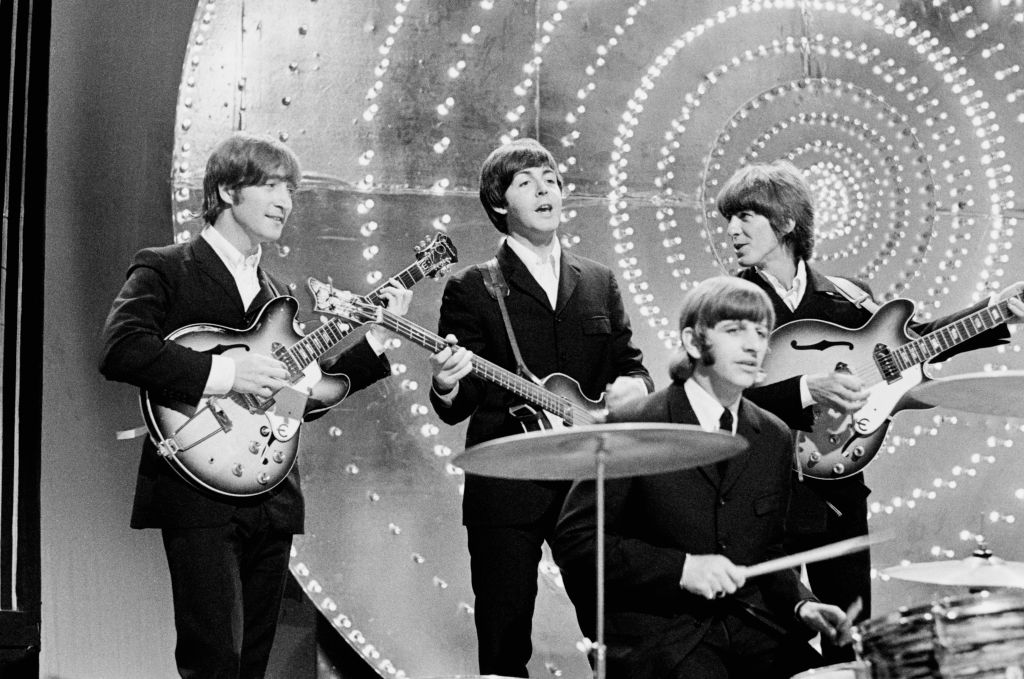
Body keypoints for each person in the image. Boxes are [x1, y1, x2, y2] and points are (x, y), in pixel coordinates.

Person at [99, 131, 412, 679]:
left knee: (254, 664)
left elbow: (299, 402)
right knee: (213, 661)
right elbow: (121, 348)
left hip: (271, 493)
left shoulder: (277, 294)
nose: (284, 201)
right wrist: (225, 374)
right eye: (270, 186)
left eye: (290, 189)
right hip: (198, 485)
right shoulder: (167, 267)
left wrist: (378, 340)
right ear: (226, 190)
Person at [716, 159, 1024, 662]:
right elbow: (719, 397)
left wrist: (995, 312)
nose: (732, 230)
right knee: (771, 648)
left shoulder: (848, 296)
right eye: (728, 218)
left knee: (848, 640)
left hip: (837, 494)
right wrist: (806, 389)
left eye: (746, 216)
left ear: (787, 222)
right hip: (759, 497)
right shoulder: (728, 302)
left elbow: (914, 341)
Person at [427, 137, 653, 676]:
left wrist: (635, 385)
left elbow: (630, 364)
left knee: (618, 633)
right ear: (499, 203)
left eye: (550, 180)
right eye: (526, 183)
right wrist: (446, 383)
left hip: (589, 483)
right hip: (508, 486)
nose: (544, 190)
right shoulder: (472, 287)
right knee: (504, 642)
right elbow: (458, 406)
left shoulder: (598, 279)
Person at [552, 276, 850, 678]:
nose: (753, 345)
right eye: (735, 330)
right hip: (661, 636)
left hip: (749, 626)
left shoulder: (773, 435)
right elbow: (577, 542)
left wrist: (801, 604)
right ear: (693, 342)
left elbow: (769, 550)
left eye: (761, 332)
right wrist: (681, 569)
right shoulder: (634, 425)